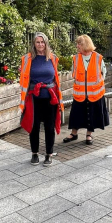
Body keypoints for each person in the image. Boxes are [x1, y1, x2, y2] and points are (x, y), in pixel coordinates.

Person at [19, 32, 64, 166]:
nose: (40, 44)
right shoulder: (27, 59)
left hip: (50, 98)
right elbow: (24, 79)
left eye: (42, 42)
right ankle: (34, 153)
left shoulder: (52, 58)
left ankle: (49, 154)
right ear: (34, 44)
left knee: (49, 127)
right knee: (34, 126)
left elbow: (55, 79)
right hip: (33, 98)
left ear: (46, 43)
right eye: (37, 42)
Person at [63, 35, 110, 145]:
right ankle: (73, 134)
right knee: (76, 114)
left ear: (86, 44)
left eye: (79, 43)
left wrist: (96, 85)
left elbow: (103, 73)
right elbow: (74, 74)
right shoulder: (75, 58)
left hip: (95, 94)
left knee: (92, 115)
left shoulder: (98, 57)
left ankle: (89, 135)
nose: (77, 46)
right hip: (80, 94)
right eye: (77, 43)